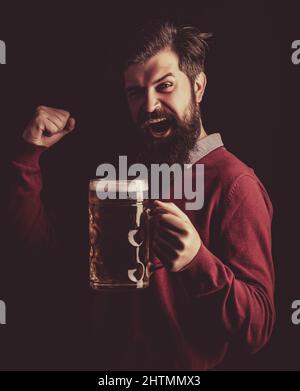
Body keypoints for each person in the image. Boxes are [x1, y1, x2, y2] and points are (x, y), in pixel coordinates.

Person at [1, 21, 275, 370]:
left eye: (165, 87)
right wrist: (28, 155)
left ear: (198, 86)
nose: (149, 106)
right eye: (135, 92)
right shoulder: (123, 179)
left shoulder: (236, 184)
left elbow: (258, 328)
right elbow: (41, 251)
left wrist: (196, 261)